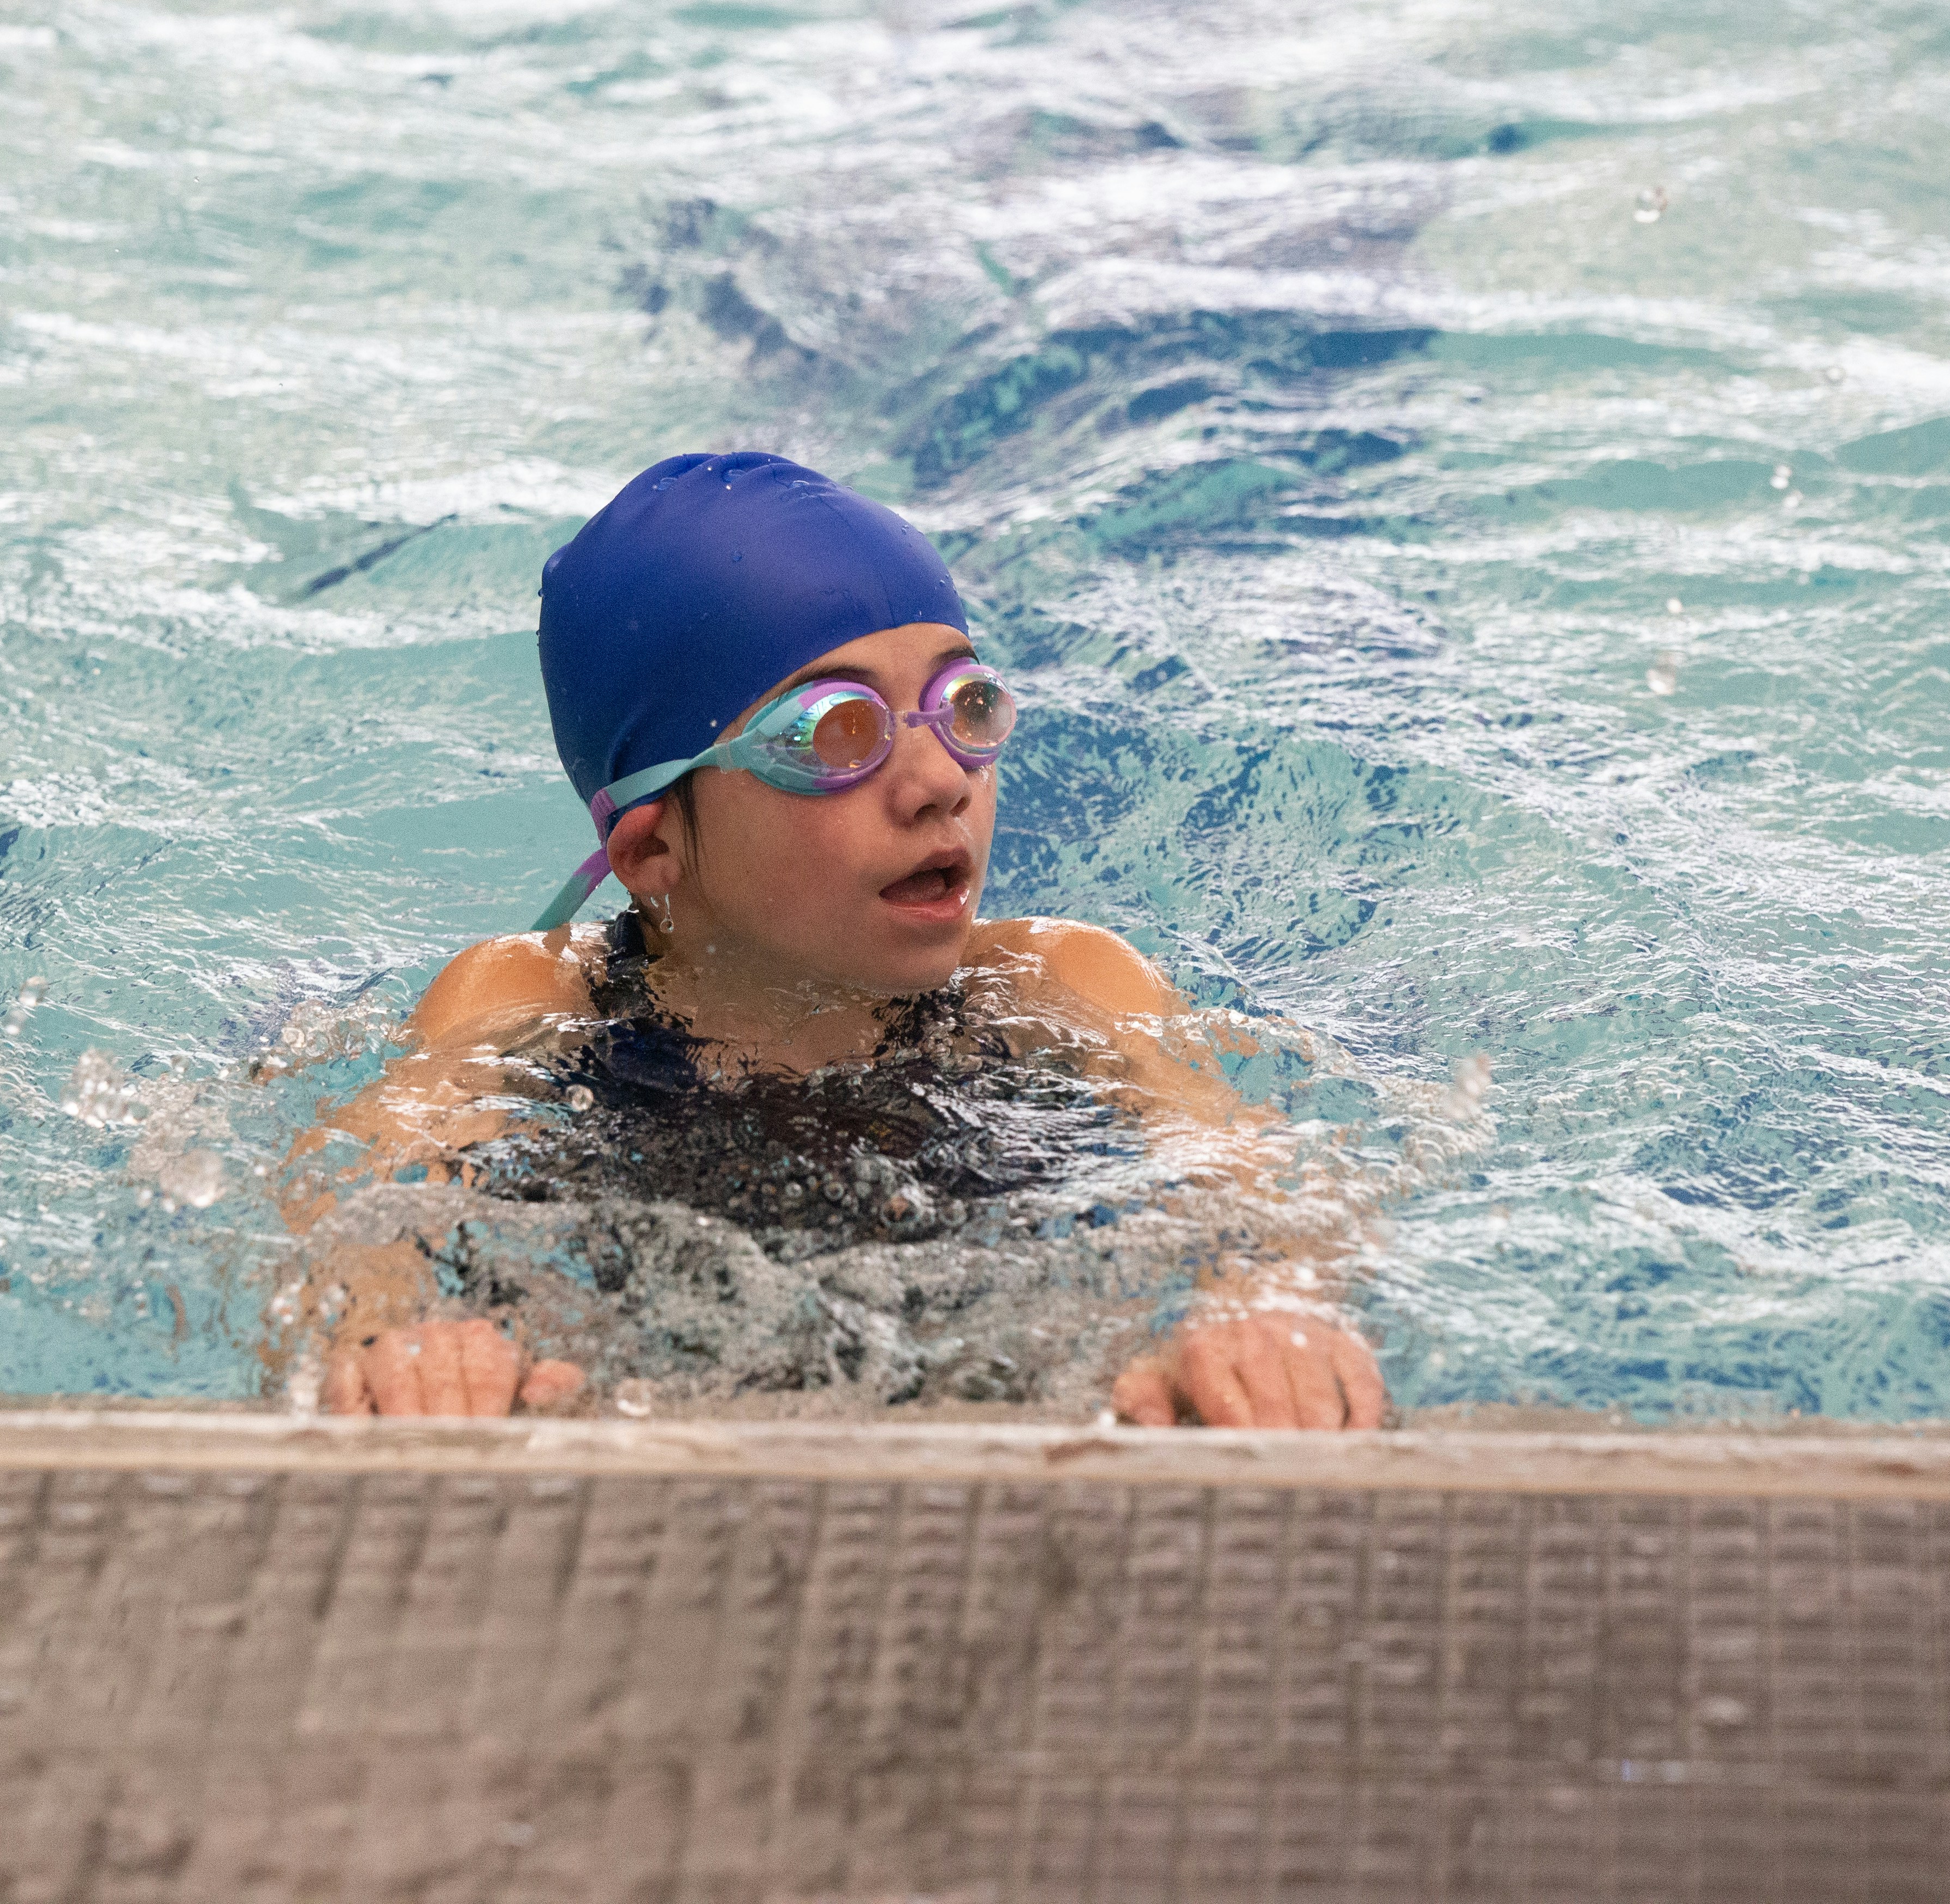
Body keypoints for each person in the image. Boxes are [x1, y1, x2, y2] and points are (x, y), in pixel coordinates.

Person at [285, 451, 1386, 1431]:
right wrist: (394, 1337)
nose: (940, 782)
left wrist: (1263, 1314)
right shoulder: (528, 1004)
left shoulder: (1064, 983)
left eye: (964, 704)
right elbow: (357, 1219)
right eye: (835, 733)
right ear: (654, 848)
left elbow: (1262, 1199)